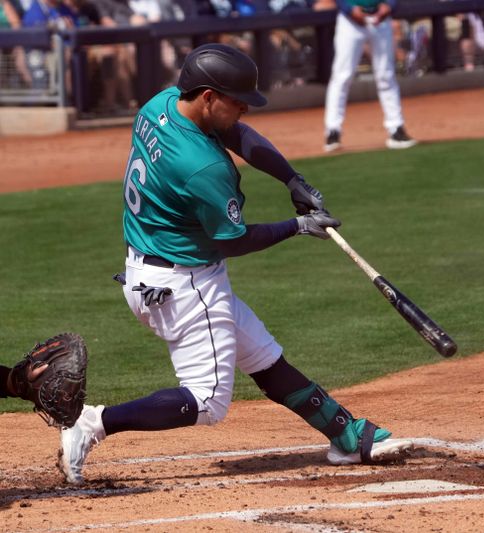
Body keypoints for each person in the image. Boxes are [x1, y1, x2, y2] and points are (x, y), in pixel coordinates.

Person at [57, 43, 413, 485]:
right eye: (237, 100)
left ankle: (346, 435)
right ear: (208, 96)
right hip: (183, 286)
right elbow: (235, 240)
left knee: (264, 357)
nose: (245, 108)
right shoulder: (202, 169)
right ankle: (93, 423)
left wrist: (291, 178)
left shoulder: (161, 105)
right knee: (206, 401)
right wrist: (298, 226)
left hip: (152, 269)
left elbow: (238, 134)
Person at [323, 0, 416, 152]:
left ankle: (396, 128)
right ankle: (332, 130)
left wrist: (389, 5)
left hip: (380, 20)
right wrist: (350, 9)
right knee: (342, 76)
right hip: (350, 22)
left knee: (386, 75)